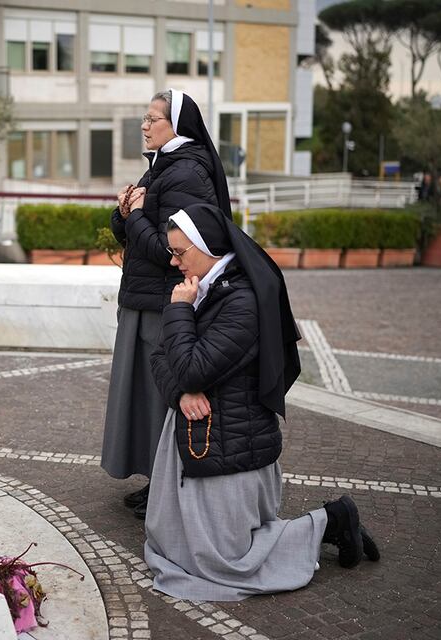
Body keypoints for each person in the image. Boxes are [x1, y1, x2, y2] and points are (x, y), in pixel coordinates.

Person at [141, 202, 380, 601]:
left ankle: (330, 522)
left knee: (226, 562)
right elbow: (160, 358)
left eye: (180, 252)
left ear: (208, 246)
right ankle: (326, 525)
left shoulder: (241, 302)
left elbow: (192, 369)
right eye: (172, 251)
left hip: (230, 444)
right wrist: (180, 392)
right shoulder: (201, 288)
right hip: (199, 435)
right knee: (174, 544)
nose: (173, 261)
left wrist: (179, 311)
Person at [102, 89, 232, 519]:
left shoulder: (185, 174)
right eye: (144, 117)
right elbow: (137, 235)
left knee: (163, 395)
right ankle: (158, 480)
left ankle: (171, 485)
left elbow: (169, 250)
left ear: (176, 125)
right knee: (146, 396)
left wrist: (137, 217)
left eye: (152, 118)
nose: (144, 124)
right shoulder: (163, 168)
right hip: (146, 299)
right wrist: (125, 214)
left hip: (163, 303)